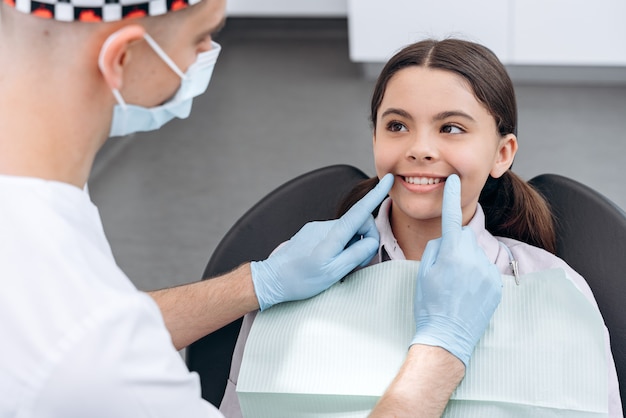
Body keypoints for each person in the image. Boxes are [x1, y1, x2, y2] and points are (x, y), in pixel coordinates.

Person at [0, 2, 503, 418]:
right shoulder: (96, 362)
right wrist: (440, 354)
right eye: (201, 37)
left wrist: (257, 283)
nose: (207, 55)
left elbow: (95, 320)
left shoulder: (33, 216)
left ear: (503, 150)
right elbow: (85, 338)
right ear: (122, 58)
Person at [221, 38, 622, 417]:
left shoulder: (556, 287)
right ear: (374, 138)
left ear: (502, 154)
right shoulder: (296, 276)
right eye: (397, 125)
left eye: (451, 128)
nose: (419, 148)